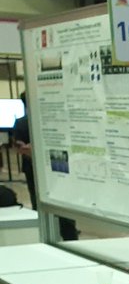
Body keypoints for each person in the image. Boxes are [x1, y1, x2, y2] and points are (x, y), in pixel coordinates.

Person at [11, 92, 79, 240]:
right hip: (58, 165)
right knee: (63, 202)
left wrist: (29, 150)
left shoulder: (22, 122)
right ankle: (70, 236)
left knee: (38, 201)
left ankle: (45, 236)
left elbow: (17, 145)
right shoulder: (56, 119)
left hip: (33, 168)